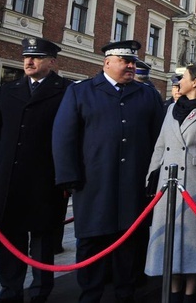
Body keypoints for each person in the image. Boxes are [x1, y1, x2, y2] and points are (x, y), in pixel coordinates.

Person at [52, 40, 164, 303]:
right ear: (107, 62)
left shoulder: (146, 94)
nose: (130, 66)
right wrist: (69, 177)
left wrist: (155, 176)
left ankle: (126, 292)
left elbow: (159, 138)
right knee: (92, 241)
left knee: (129, 242)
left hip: (134, 183)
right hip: (94, 183)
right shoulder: (82, 92)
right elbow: (64, 136)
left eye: (133, 62)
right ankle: (91, 294)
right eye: (125, 61)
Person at [0, 37, 70, 303]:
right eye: (26, 56)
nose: (29, 61)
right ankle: (10, 289)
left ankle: (39, 291)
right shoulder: (7, 90)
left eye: (36, 57)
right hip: (9, 179)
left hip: (44, 180)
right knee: (10, 240)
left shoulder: (66, 90)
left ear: (51, 61)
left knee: (42, 240)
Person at [145, 64, 196, 303]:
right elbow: (160, 144)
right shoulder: (173, 108)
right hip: (167, 184)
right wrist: (152, 175)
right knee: (170, 238)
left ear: (195, 82)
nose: (178, 83)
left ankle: (190, 292)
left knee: (193, 242)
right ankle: (173, 291)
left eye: (183, 78)